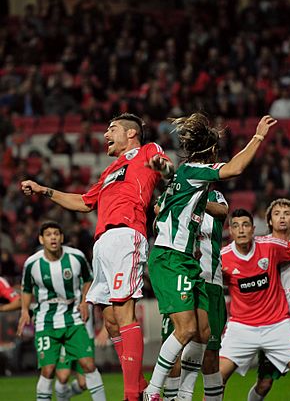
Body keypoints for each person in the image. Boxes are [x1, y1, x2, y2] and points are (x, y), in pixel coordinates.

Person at [21, 113, 174, 401]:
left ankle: (132, 396)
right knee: (110, 318)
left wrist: (162, 167)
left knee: (124, 310)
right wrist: (44, 191)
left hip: (127, 233)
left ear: (131, 134)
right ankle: (141, 388)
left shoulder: (147, 150)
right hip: (102, 242)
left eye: (112, 129)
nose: (105, 134)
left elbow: (167, 169)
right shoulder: (109, 171)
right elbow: (83, 202)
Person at [144, 113, 277, 401]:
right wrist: (258, 137)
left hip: (188, 262)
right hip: (172, 257)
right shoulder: (193, 170)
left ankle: (183, 396)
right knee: (187, 329)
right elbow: (235, 169)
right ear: (212, 151)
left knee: (202, 333)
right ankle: (153, 391)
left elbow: (164, 203)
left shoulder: (188, 183)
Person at [17, 221, 106, 401]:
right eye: (48, 234)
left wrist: (83, 301)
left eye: (56, 234)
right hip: (46, 321)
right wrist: (25, 310)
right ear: (42, 239)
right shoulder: (32, 263)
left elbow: (89, 279)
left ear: (62, 237)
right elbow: (26, 288)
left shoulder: (76, 257)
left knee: (88, 365)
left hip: (73, 319)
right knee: (49, 370)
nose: (53, 238)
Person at [219, 209, 290, 395]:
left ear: (253, 229)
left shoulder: (271, 246)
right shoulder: (222, 258)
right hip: (242, 327)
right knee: (217, 378)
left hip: (277, 324)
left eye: (245, 225)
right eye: (236, 226)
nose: (241, 230)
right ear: (230, 231)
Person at [161, 190, 228, 401]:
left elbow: (223, 211)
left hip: (210, 282)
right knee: (176, 353)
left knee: (209, 356)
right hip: (179, 280)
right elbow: (157, 210)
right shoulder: (175, 191)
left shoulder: (215, 196)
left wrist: (194, 199)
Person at [247, 198, 290, 401]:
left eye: (286, 213)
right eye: (277, 213)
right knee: (265, 382)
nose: (282, 217)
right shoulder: (260, 246)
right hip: (274, 320)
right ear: (269, 220)